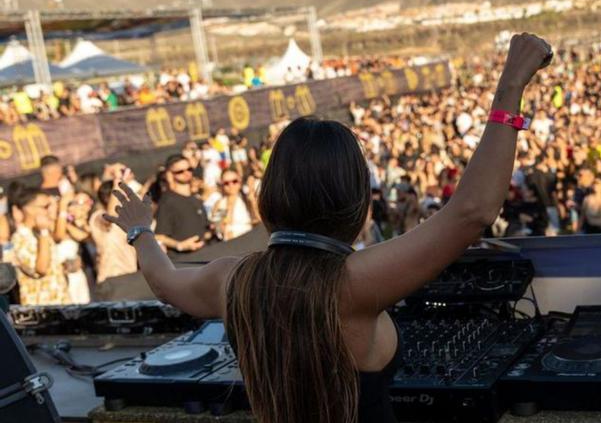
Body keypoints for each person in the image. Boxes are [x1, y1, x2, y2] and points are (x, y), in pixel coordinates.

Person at [104, 33, 552, 423]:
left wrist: (141, 230)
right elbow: (472, 211)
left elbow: (165, 284)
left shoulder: (231, 279)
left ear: (270, 196)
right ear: (357, 203)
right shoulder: (354, 283)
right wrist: (511, 86)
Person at [9, 186, 72, 305]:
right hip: (42, 308)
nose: (49, 210)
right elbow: (41, 269)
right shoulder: (20, 238)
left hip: (61, 302)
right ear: (28, 209)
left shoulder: (40, 233)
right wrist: (43, 232)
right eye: (45, 207)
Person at [154, 155, 210, 258]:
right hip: (183, 261)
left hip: (204, 256)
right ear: (170, 174)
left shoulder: (196, 199)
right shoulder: (168, 201)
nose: (186, 173)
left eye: (189, 169)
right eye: (180, 171)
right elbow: (159, 236)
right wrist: (180, 245)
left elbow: (204, 230)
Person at [210, 169, 259, 241]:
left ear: (240, 182)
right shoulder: (221, 203)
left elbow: (259, 220)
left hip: (249, 240)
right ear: (222, 185)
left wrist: (252, 202)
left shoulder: (247, 199)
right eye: (226, 183)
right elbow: (218, 227)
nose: (231, 185)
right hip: (229, 245)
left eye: (234, 181)